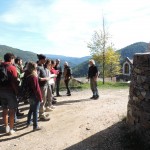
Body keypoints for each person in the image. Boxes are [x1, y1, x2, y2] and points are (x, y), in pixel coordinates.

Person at [0, 53, 19, 135]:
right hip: (10, 92)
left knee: (4, 109)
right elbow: (14, 81)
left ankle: (6, 127)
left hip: (1, 91)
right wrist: (17, 92)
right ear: (11, 59)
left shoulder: (0, 66)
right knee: (12, 111)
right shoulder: (12, 68)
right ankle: (11, 129)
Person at [25, 61, 43, 131]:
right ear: (34, 68)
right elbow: (37, 89)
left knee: (31, 109)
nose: (37, 68)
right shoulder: (33, 77)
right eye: (36, 67)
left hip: (30, 95)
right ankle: (35, 126)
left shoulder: (27, 75)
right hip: (35, 96)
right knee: (36, 111)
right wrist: (40, 98)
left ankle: (28, 122)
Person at [37, 54, 50, 121]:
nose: (45, 60)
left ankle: (43, 113)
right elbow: (37, 78)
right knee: (42, 101)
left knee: (44, 101)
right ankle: (41, 115)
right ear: (41, 59)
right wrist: (45, 79)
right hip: (41, 87)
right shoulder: (38, 67)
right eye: (45, 59)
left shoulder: (42, 65)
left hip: (44, 86)